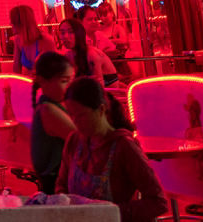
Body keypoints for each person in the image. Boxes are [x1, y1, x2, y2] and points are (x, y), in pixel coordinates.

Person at [57, 77, 168, 222]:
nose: (75, 122)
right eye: (71, 115)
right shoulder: (74, 141)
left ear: (101, 110)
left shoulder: (124, 146)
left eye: (81, 115)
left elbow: (158, 202)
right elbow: (61, 186)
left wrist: (110, 213)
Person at [30, 52, 75, 194]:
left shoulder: (57, 105)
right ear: (43, 81)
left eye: (71, 80)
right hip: (56, 185)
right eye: (64, 81)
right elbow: (81, 137)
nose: (70, 86)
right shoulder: (47, 109)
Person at [59, 17, 113, 85]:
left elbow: (99, 86)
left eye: (71, 32)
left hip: (109, 90)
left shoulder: (91, 54)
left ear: (79, 34)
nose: (65, 36)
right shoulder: (68, 55)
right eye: (62, 33)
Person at [11, 5, 55, 75]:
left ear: (21, 23)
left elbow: (53, 69)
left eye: (13, 22)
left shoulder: (46, 40)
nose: (11, 24)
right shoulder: (18, 40)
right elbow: (16, 70)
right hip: (29, 80)